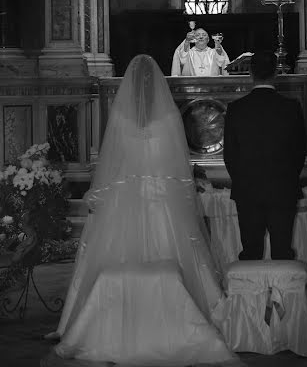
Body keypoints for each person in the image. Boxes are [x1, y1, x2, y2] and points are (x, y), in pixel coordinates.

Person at [42, 55, 239, 367]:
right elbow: (175, 166)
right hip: (162, 199)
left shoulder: (119, 119)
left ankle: (100, 322)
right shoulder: (169, 119)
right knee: (176, 251)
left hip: (126, 196)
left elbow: (112, 166)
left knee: (111, 254)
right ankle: (185, 317)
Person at [223, 50, 307, 260]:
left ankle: (251, 293)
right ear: (275, 73)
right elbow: (299, 152)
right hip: (282, 188)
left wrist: (243, 180)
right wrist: (287, 178)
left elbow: (230, 155)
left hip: (248, 190)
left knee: (251, 252)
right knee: (282, 251)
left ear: (250, 73)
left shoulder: (236, 109)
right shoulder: (291, 107)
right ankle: (284, 293)